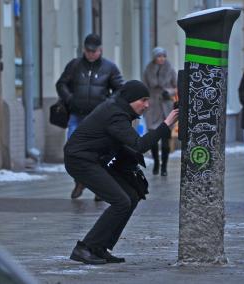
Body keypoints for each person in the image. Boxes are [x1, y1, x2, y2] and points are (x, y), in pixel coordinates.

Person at [64, 80, 178, 264]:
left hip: (95, 159)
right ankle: (84, 248)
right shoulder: (115, 114)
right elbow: (139, 145)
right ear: (130, 99)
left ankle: (100, 248)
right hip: (81, 161)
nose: (147, 105)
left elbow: (122, 143)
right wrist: (166, 125)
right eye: (143, 100)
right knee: (120, 201)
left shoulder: (120, 110)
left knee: (131, 195)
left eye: (148, 100)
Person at [56, 33, 124, 200]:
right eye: (88, 50)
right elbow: (61, 84)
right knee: (73, 150)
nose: (91, 54)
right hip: (77, 115)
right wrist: (70, 99)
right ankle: (79, 181)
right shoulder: (75, 65)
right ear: (84, 50)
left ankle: (99, 188)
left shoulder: (109, 67)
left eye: (94, 51)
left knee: (99, 152)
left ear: (100, 50)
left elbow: (120, 89)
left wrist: (108, 103)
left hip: (99, 118)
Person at [142, 47, 177, 176]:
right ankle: (156, 162)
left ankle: (164, 167)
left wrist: (169, 92)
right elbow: (143, 88)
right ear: (154, 57)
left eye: (163, 56)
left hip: (166, 106)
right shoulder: (148, 70)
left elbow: (176, 86)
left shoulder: (170, 69)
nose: (161, 58)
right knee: (153, 138)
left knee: (166, 138)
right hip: (152, 107)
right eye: (159, 56)